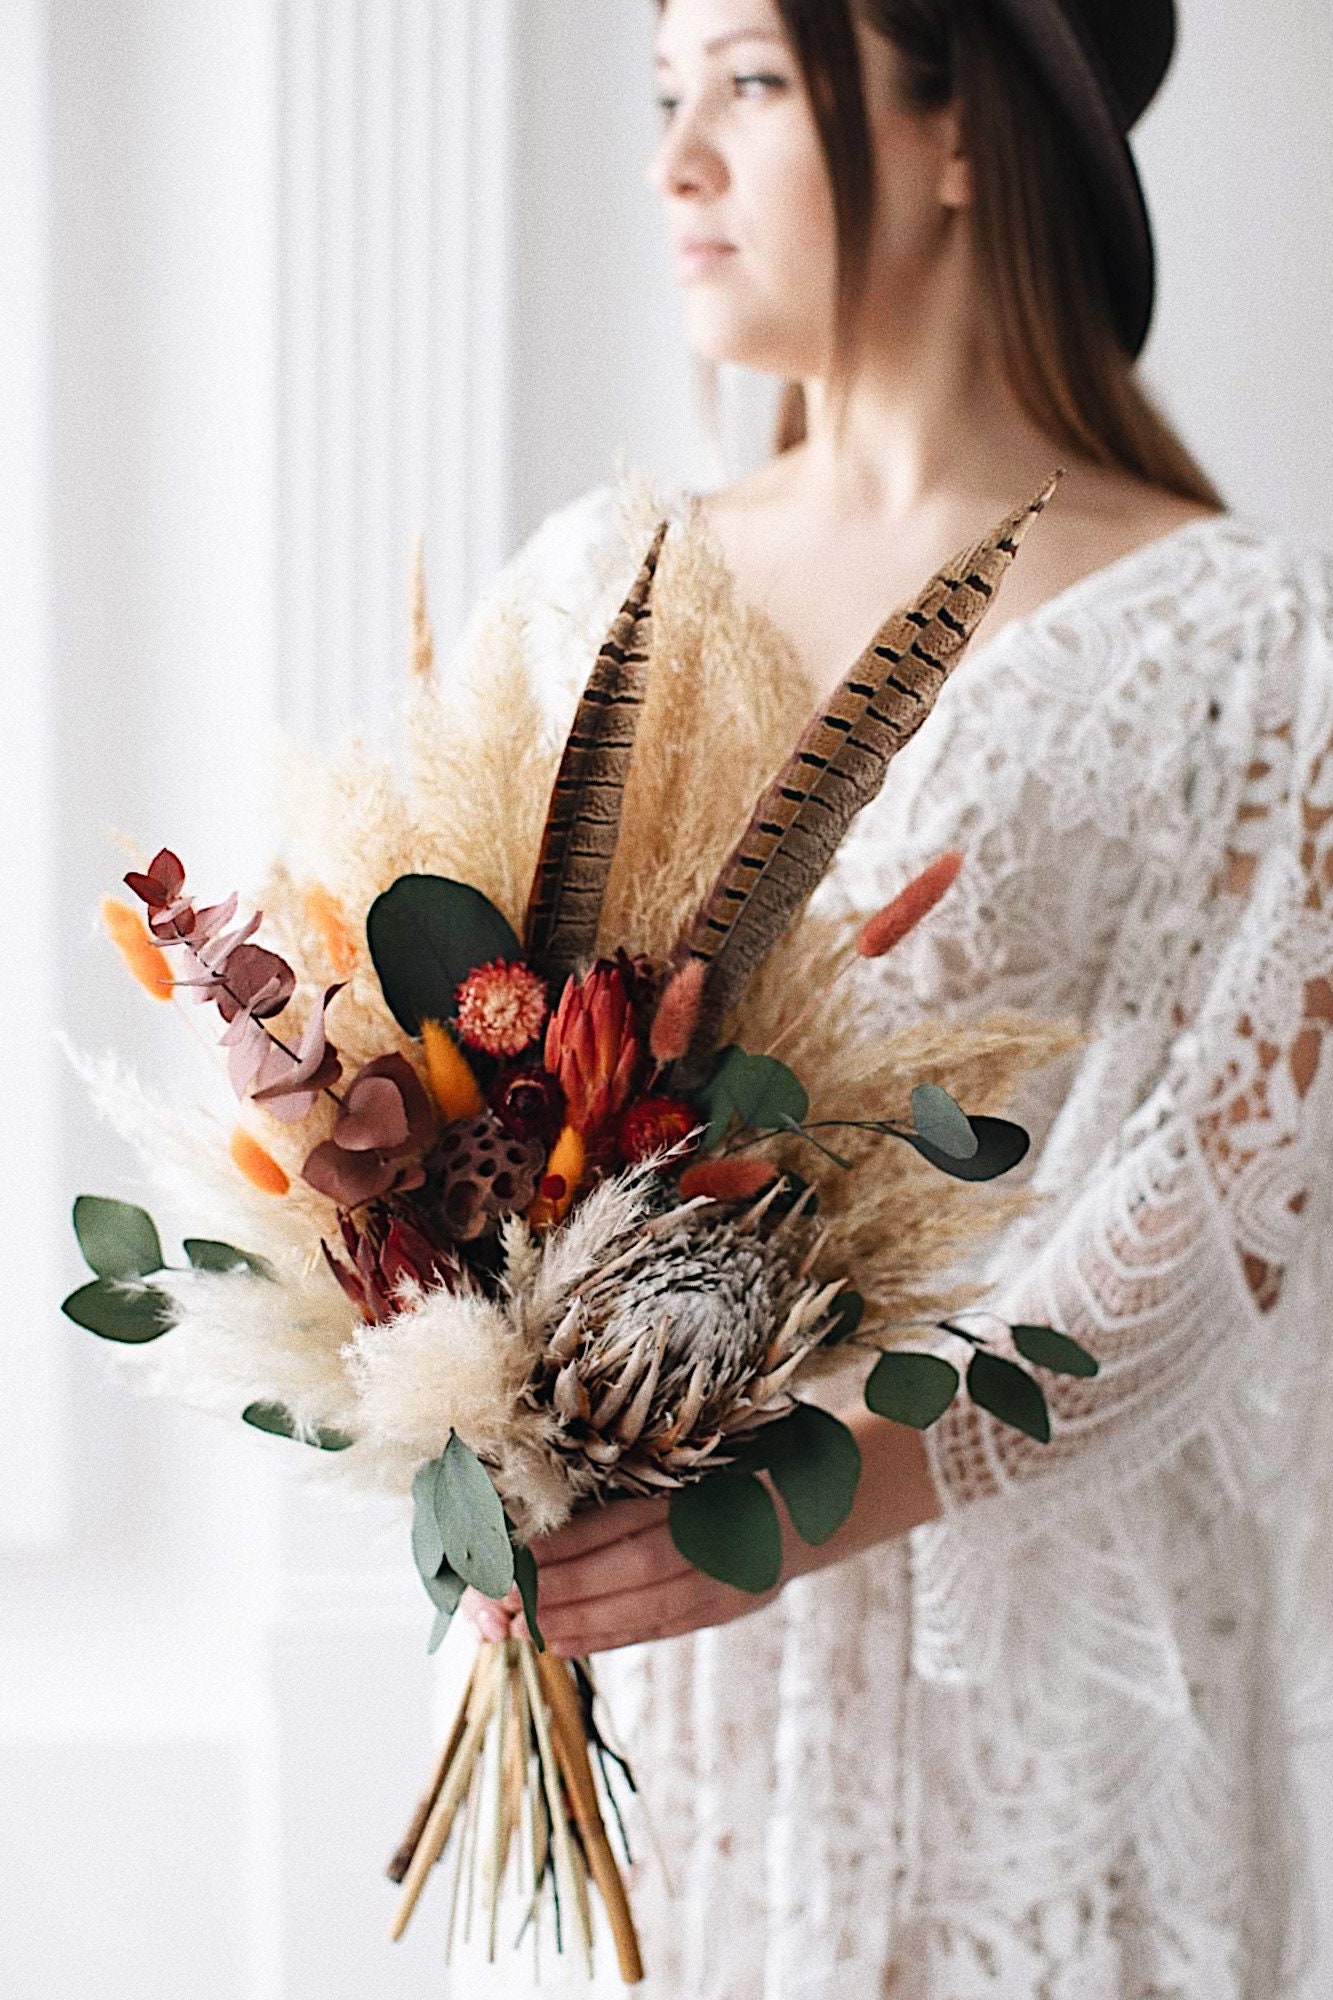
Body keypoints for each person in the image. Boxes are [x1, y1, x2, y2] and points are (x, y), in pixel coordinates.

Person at [461, 1, 1333, 1992]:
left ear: (961, 133)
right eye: (661, 94)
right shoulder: (590, 591)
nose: (674, 161)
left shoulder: (1245, 637)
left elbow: (1231, 1209)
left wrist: (825, 1487)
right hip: (657, 1689)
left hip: (1040, 1653)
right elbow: (447, 1082)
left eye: (751, 83)